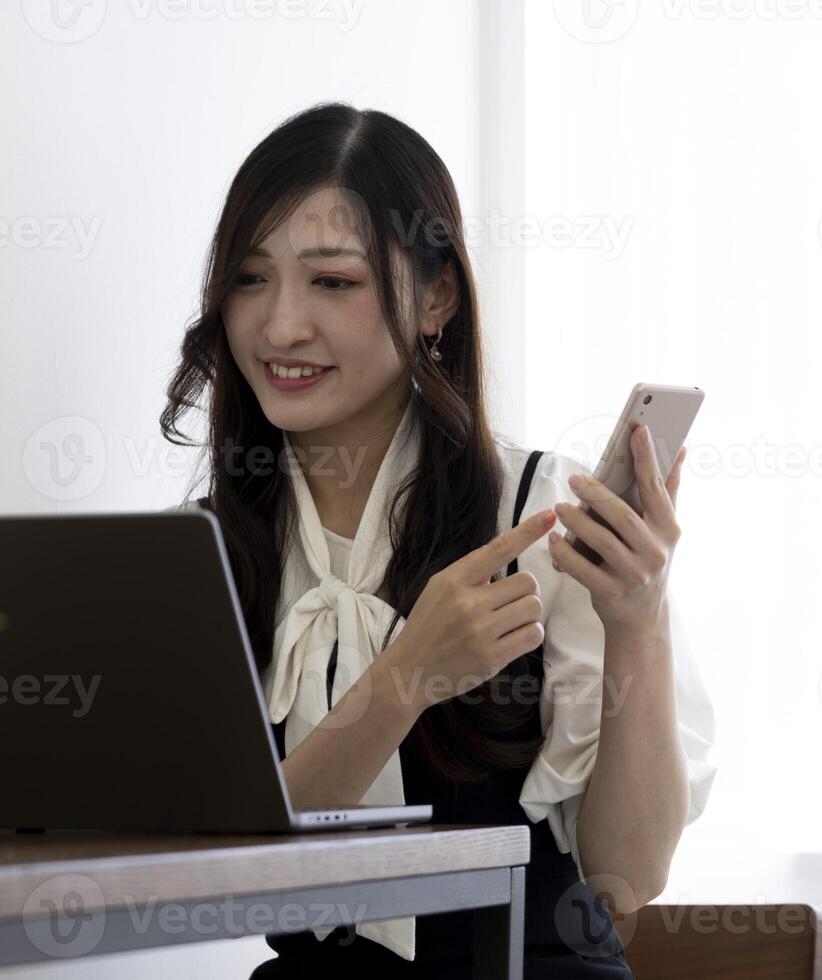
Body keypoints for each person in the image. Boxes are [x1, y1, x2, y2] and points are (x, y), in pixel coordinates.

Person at [159, 101, 715, 978]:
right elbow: (215, 882)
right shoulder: (205, 555)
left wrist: (639, 623)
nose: (279, 327)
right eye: (251, 279)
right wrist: (406, 678)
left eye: (332, 282)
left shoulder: (537, 515)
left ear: (438, 296)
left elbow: (624, 875)